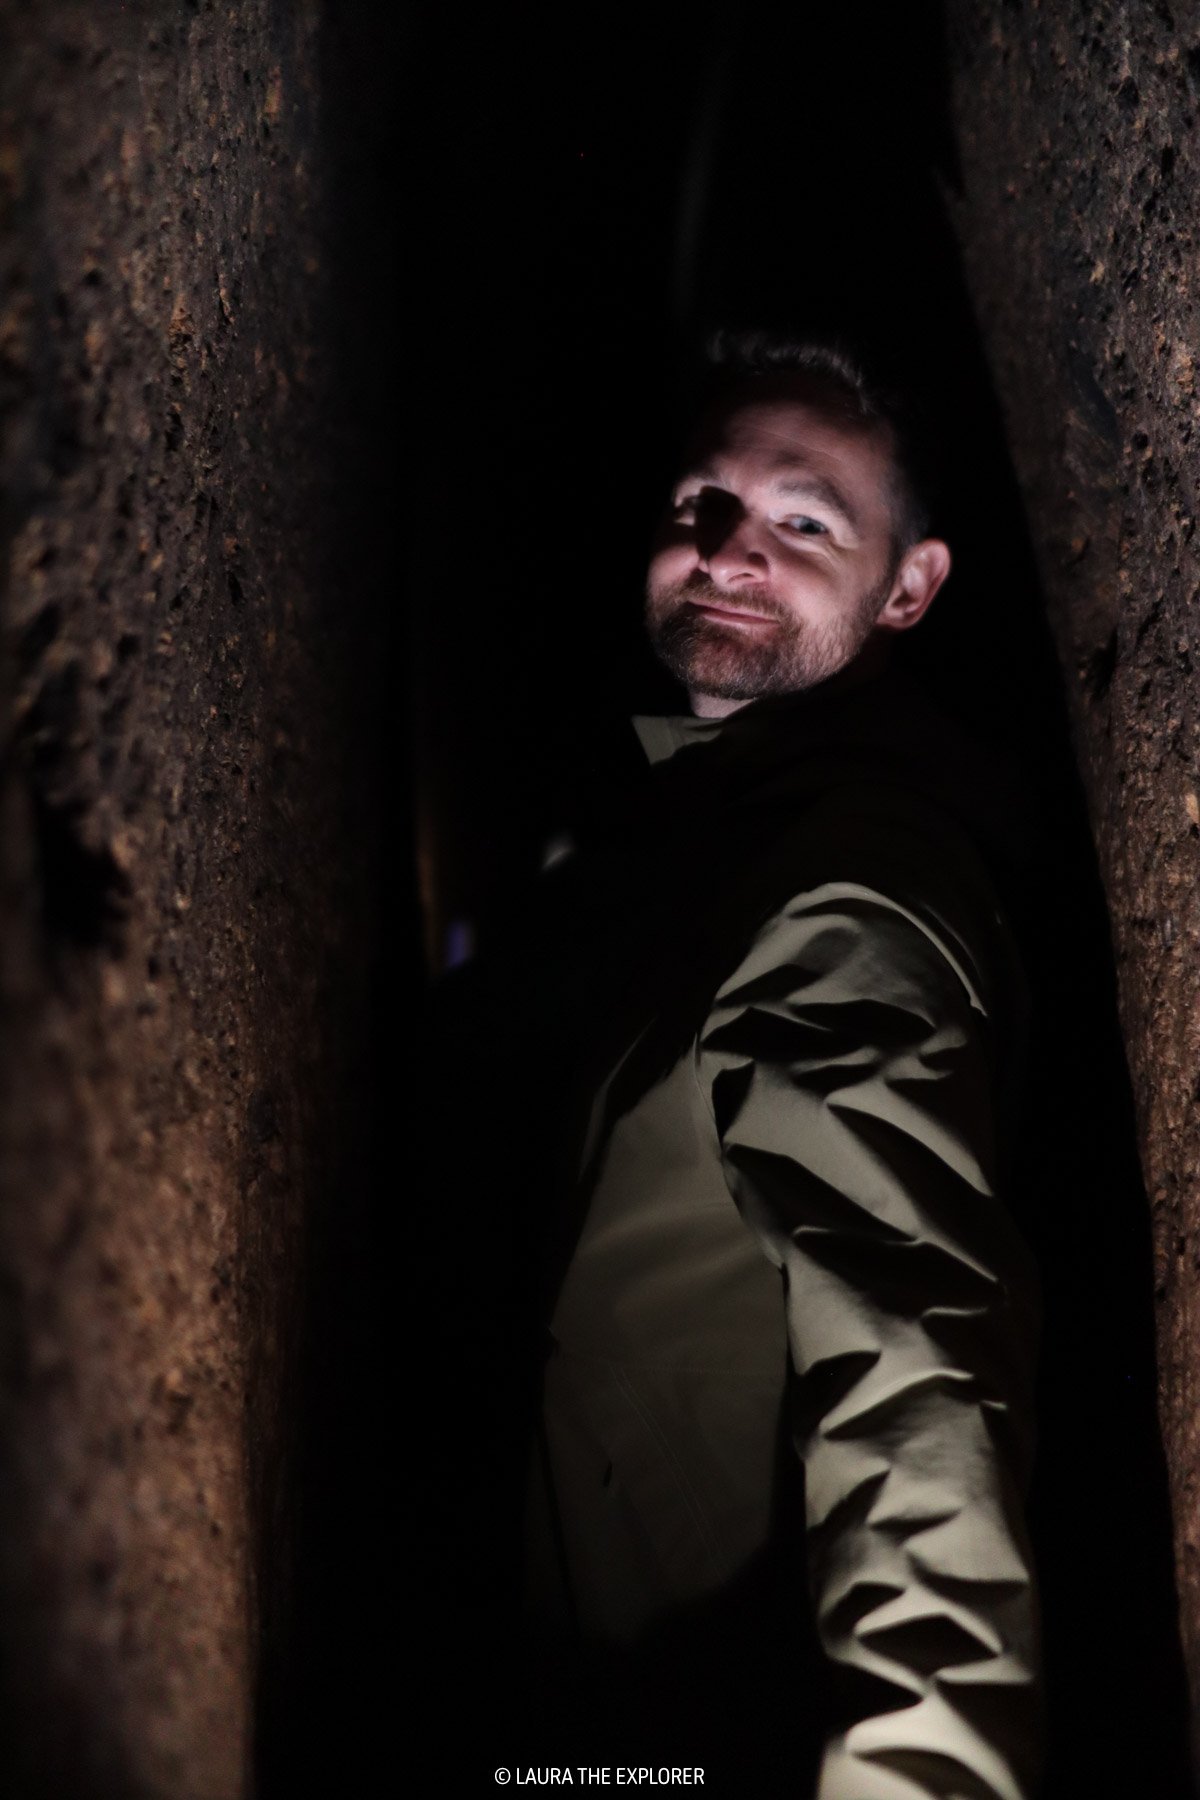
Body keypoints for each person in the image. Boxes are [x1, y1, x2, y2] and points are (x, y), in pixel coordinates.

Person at [427, 333, 1043, 1799]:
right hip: (574, 1699)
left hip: (714, 1724)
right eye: (704, 500)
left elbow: (911, 1357)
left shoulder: (847, 887)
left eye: (804, 520)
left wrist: (926, 1766)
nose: (725, 551)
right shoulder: (661, 847)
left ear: (911, 586)